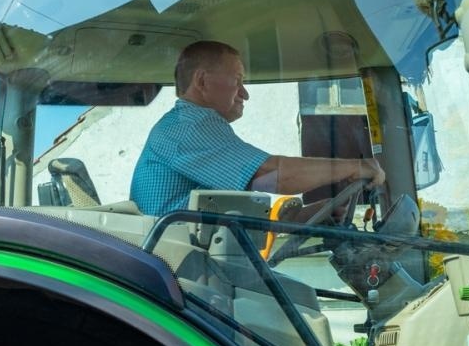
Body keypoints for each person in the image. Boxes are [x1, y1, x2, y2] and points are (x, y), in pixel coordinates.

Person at [130, 40, 384, 216]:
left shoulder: (193, 129)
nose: (245, 94)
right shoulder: (190, 126)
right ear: (202, 80)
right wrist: (354, 166)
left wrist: (301, 218)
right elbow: (274, 176)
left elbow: (252, 191)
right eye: (237, 81)